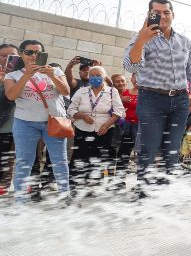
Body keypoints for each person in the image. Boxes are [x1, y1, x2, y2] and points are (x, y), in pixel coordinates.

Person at [123, 0, 191, 196]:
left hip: (179, 101)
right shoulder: (140, 38)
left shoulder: (184, 42)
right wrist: (142, 40)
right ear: (149, 15)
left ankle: (165, 194)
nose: (162, 16)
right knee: (150, 148)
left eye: (166, 12)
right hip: (151, 100)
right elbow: (131, 66)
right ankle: (143, 194)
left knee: (172, 151)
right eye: (157, 12)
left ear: (173, 15)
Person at [3, 40, 71, 199]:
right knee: (24, 162)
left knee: (59, 160)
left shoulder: (55, 71)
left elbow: (66, 91)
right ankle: (20, 199)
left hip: (54, 122)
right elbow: (11, 95)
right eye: (29, 52)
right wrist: (27, 75)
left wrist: (53, 76)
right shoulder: (12, 75)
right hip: (25, 123)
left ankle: (65, 196)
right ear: (21, 54)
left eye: (38, 53)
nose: (34, 56)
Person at [67, 66, 125, 195]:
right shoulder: (82, 91)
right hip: (83, 128)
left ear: (104, 77)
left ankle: (92, 185)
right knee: (80, 156)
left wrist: (107, 124)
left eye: (97, 75)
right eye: (91, 75)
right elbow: (70, 110)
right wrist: (82, 115)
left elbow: (119, 111)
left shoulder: (112, 91)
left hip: (104, 130)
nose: (94, 78)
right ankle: (75, 185)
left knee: (98, 157)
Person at [112, 73, 139, 190]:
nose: (137, 79)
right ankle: (119, 181)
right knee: (124, 153)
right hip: (127, 126)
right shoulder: (125, 92)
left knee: (142, 154)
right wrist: (121, 99)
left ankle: (142, 182)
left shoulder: (148, 94)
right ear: (132, 79)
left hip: (141, 127)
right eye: (135, 77)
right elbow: (114, 106)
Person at [0, 43, 19, 195]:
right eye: (3, 56)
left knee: (8, 161)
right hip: (3, 126)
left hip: (18, 127)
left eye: (12, 56)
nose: (7, 59)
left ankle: (4, 188)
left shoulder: (23, 75)